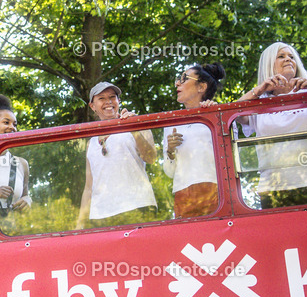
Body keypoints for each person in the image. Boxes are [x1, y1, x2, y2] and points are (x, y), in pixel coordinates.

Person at [235, 43, 307, 208]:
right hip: (275, 189)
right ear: (268, 64)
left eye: (291, 57)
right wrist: (259, 89)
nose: (288, 60)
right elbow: (232, 114)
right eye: (281, 56)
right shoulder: (257, 103)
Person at [76, 82, 157, 228]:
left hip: (138, 206)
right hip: (102, 215)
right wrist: (80, 223)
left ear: (118, 101)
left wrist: (133, 127)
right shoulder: (91, 143)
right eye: (101, 98)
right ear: (92, 106)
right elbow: (88, 187)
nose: (108, 101)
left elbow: (151, 158)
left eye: (112, 97)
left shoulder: (138, 124)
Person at [163, 63, 226, 217]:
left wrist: (214, 114)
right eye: (178, 79)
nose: (177, 83)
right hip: (183, 194)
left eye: (184, 79)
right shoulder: (171, 124)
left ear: (201, 87)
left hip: (216, 190)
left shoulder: (220, 117)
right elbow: (169, 173)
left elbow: (230, 157)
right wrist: (170, 151)